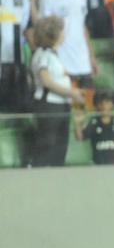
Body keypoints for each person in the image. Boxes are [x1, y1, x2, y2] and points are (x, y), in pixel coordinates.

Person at [30, 15, 83, 168]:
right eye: (61, 30)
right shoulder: (43, 55)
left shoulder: (54, 55)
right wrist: (71, 93)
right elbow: (46, 81)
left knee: (60, 146)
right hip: (49, 105)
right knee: (47, 144)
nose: (64, 33)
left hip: (61, 105)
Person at [73, 88, 114, 165]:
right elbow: (80, 138)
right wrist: (77, 123)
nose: (104, 106)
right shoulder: (93, 122)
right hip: (99, 165)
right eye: (100, 103)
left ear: (113, 104)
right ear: (96, 105)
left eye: (107, 102)